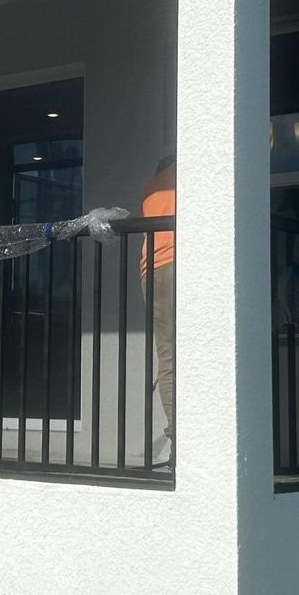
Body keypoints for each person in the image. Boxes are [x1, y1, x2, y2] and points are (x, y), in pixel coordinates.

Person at [139, 156, 176, 467]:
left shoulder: (151, 187)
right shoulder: (189, 175)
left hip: (150, 270)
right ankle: (190, 435)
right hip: (178, 263)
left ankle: (178, 435)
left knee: (168, 355)